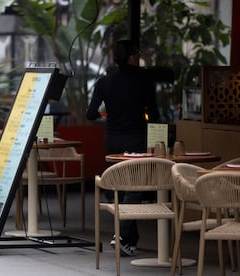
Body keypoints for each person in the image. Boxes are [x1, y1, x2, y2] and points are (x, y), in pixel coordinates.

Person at [86, 39, 160, 256]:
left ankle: (130, 239)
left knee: (120, 187)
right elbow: (153, 114)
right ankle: (121, 234)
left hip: (112, 141)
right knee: (134, 188)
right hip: (135, 139)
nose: (138, 58)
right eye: (137, 54)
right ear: (131, 57)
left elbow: (90, 114)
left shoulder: (104, 82)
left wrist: (107, 114)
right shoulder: (144, 80)